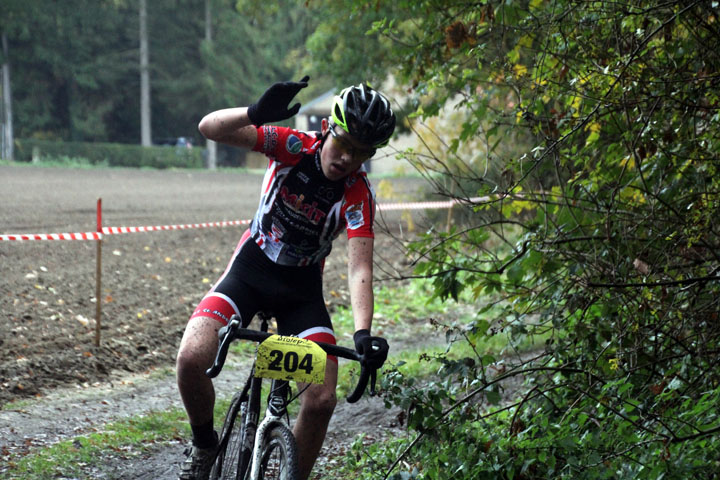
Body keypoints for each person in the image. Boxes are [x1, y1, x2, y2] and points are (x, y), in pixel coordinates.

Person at [176, 76, 395, 480]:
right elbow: (209, 128)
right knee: (191, 358)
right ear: (329, 127)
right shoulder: (294, 146)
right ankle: (205, 445)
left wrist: (363, 333)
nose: (348, 158)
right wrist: (255, 114)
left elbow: (359, 266)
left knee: (321, 400)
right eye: (345, 144)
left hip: (300, 293)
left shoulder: (357, 193)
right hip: (251, 271)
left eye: (362, 153)